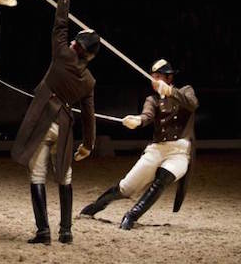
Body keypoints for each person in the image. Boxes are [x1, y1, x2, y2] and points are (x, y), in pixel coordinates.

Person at [11, 0, 99, 244]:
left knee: (37, 174)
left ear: (75, 45)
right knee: (65, 176)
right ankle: (66, 231)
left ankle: (43, 231)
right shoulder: (89, 81)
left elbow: (60, 23)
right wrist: (88, 145)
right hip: (64, 126)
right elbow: (88, 115)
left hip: (43, 120)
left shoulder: (62, 53)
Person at [79, 59, 198, 230]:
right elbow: (147, 116)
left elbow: (192, 104)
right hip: (157, 150)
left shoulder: (186, 91)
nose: (154, 80)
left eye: (158, 77)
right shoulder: (152, 99)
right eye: (152, 76)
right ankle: (97, 206)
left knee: (162, 178)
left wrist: (171, 92)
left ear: (169, 78)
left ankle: (131, 215)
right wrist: (137, 120)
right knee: (126, 187)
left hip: (179, 152)